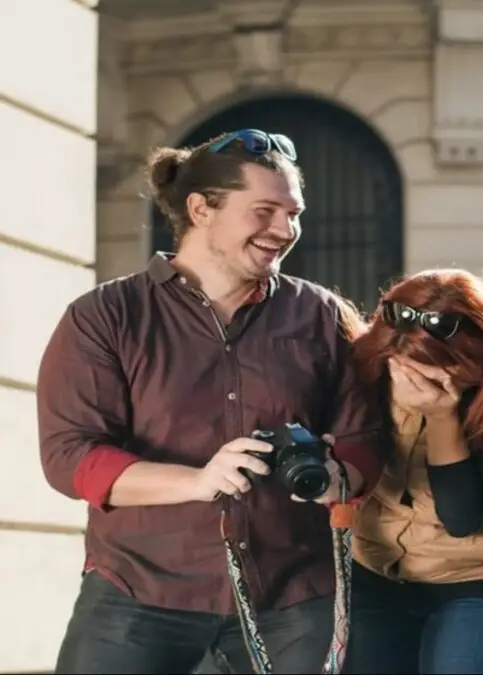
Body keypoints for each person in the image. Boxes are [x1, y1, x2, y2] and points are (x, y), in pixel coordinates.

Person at [37, 129, 388, 674]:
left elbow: (364, 437)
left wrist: (346, 478)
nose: (286, 229)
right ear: (200, 209)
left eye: (293, 213)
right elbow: (69, 457)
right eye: (265, 210)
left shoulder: (321, 314)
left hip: (294, 598)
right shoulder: (103, 316)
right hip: (137, 592)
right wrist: (196, 481)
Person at [343, 269, 483, 674]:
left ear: (474, 356)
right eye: (401, 364)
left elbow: (464, 517)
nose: (410, 377)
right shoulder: (375, 361)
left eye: (428, 369)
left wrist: (442, 416)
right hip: (379, 569)